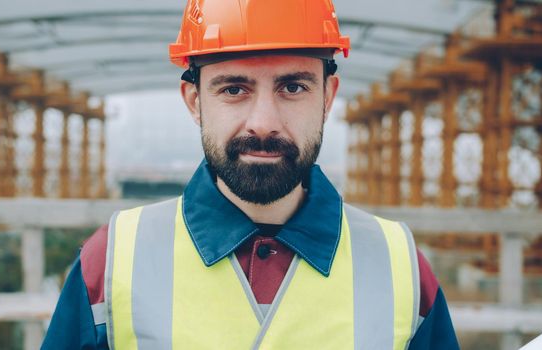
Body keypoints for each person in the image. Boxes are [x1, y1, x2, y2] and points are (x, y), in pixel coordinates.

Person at [42, 0, 459, 349]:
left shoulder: (401, 270)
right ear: (194, 100)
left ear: (328, 97)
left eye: (292, 88)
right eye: (234, 89)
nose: (263, 122)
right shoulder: (110, 263)